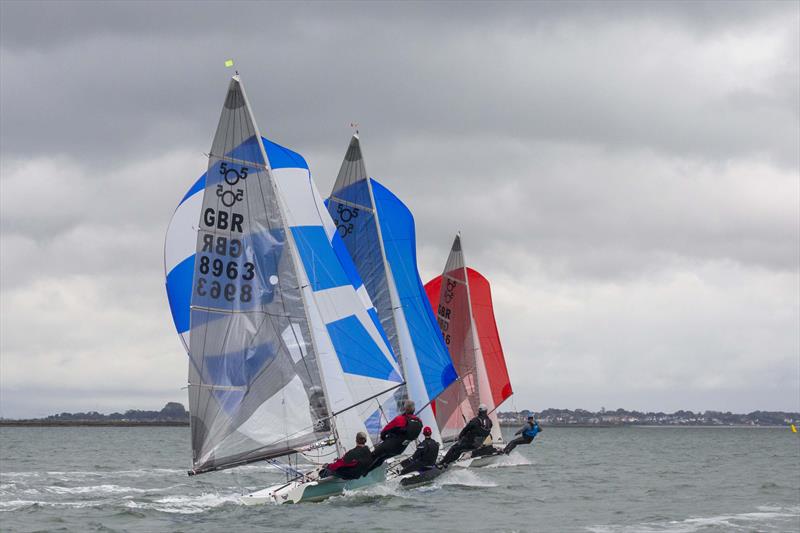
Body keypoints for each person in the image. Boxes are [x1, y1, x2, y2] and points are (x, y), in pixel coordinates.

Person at [367, 400, 423, 471]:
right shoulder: (419, 422)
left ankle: (360, 472)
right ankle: (366, 473)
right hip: (399, 450)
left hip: (389, 446)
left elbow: (384, 431)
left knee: (373, 456)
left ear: (405, 409)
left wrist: (384, 439)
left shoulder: (400, 419)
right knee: (381, 459)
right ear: (414, 409)